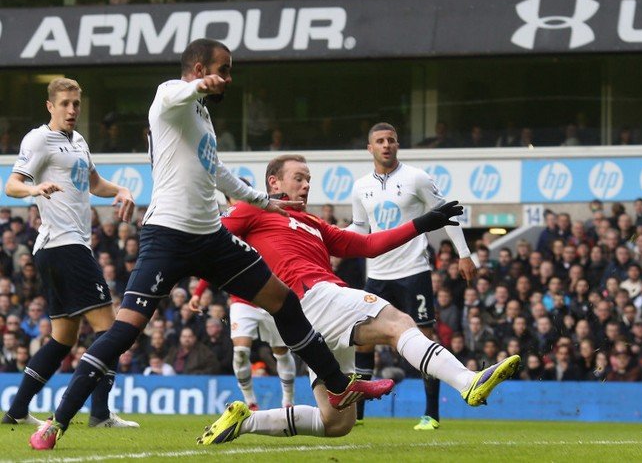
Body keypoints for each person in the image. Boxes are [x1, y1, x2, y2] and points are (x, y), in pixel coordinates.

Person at [29, 39, 392, 451]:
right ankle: (56, 423)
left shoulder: (201, 116)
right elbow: (175, 94)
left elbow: (217, 171)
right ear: (201, 69)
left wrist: (263, 201)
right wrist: (200, 86)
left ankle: (338, 386)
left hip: (211, 236)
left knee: (283, 301)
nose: (229, 78)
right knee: (123, 332)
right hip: (168, 235)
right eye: (224, 69)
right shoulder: (170, 96)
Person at [194, 154, 518, 445]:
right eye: (298, 178)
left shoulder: (314, 223)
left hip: (311, 319)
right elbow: (209, 237)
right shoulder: (254, 208)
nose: (306, 185)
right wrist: (204, 284)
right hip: (314, 297)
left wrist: (423, 224)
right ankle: (466, 381)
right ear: (273, 182)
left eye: (309, 179)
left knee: (336, 423)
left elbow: (369, 246)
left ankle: (245, 421)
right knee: (398, 323)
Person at [1, 78, 138, 430]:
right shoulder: (38, 139)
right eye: (64, 103)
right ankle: (100, 413)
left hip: (58, 249)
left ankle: (17, 410)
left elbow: (95, 184)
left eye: (76, 103)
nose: (71, 110)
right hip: (65, 246)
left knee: (63, 338)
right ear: (50, 106)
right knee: (111, 331)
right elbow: (12, 185)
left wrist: (121, 190)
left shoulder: (78, 142)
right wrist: (35, 188)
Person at [349, 122, 477, 430]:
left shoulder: (417, 178)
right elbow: (359, 227)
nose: (386, 145)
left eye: (391, 140)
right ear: (370, 148)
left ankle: (431, 414)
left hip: (413, 271)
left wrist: (464, 253)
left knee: (423, 340)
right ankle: (358, 415)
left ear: (397, 144)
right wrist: (329, 243)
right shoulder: (360, 186)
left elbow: (446, 213)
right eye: (380, 141)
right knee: (363, 341)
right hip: (377, 273)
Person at [199, 180, 298, 410]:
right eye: (238, 194)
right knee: (241, 351)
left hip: (271, 295)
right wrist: (198, 292)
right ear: (229, 199)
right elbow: (213, 260)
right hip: (243, 298)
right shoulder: (225, 228)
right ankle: (250, 403)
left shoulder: (262, 216)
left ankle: (288, 402)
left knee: (281, 351)